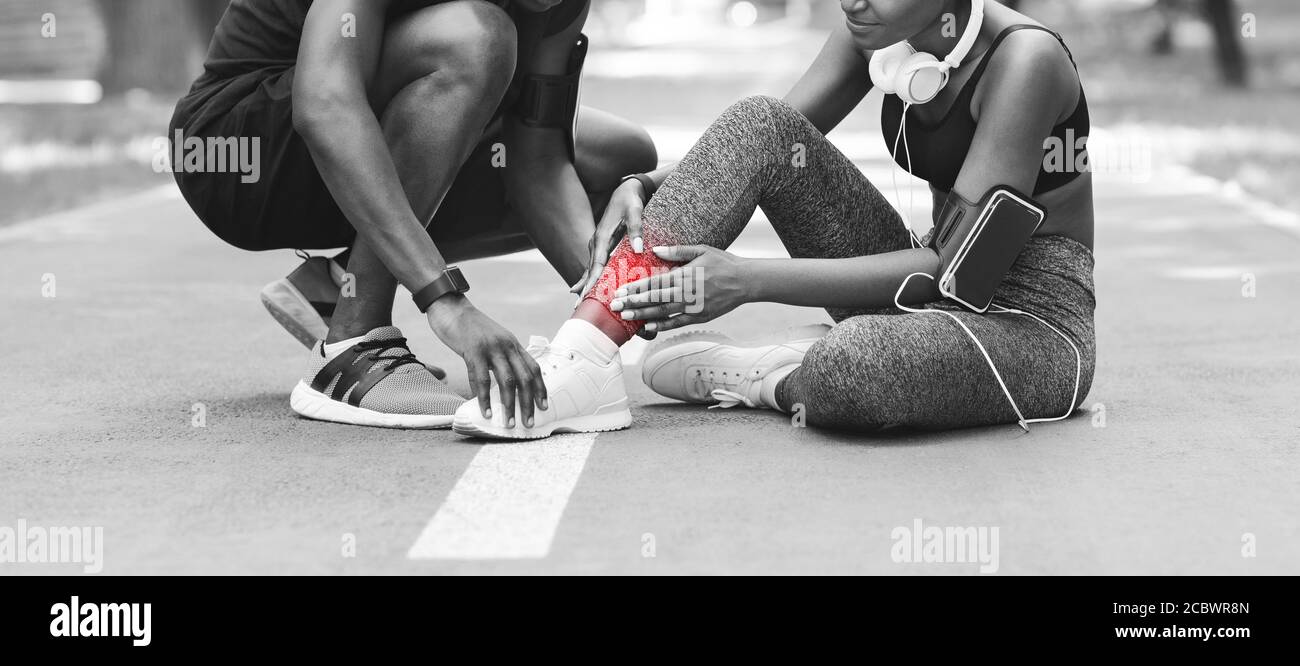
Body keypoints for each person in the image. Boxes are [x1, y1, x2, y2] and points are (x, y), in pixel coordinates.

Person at [451, 0, 1096, 438]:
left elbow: (959, 273)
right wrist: (642, 184)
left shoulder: (1025, 62)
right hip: (922, 296)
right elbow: (764, 142)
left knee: (855, 366)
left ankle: (774, 374)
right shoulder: (877, 29)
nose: (852, 1)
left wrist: (749, 280)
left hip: (1028, 329)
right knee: (761, 121)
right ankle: (585, 356)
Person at [169, 0, 657, 429]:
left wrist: (617, 301)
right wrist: (446, 301)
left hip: (354, 152)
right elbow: (324, 104)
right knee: (478, 38)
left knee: (616, 159)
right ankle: (353, 344)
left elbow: (538, 164)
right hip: (238, 154)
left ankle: (341, 284)